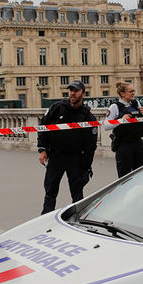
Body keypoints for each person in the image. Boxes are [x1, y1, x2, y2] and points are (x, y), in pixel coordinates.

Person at [38, 80, 97, 214]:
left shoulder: (88, 116)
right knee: (50, 191)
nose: (72, 93)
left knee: (77, 194)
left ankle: (78, 218)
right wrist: (42, 149)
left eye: (76, 91)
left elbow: (91, 145)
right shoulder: (57, 108)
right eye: (71, 90)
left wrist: (86, 166)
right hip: (56, 156)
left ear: (83, 94)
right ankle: (45, 218)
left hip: (75, 158)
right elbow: (43, 127)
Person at [104, 82, 143, 177]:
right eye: (130, 91)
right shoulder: (115, 107)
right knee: (124, 176)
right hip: (124, 145)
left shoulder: (137, 104)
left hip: (138, 143)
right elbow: (106, 125)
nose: (133, 93)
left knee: (141, 174)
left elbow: (142, 122)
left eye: (134, 91)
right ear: (122, 93)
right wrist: (121, 120)